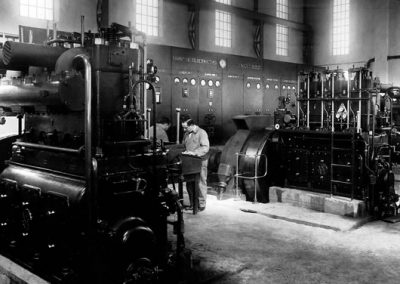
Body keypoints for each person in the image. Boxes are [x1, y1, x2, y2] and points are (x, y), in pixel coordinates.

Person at [181, 115, 210, 212]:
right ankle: (193, 203)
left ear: (192, 125)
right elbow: (183, 146)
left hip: (200, 161)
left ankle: (201, 204)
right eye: (183, 127)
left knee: (200, 182)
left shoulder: (201, 133)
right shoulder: (186, 134)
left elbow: (205, 147)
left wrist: (194, 153)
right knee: (189, 182)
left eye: (185, 127)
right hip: (190, 162)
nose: (184, 129)